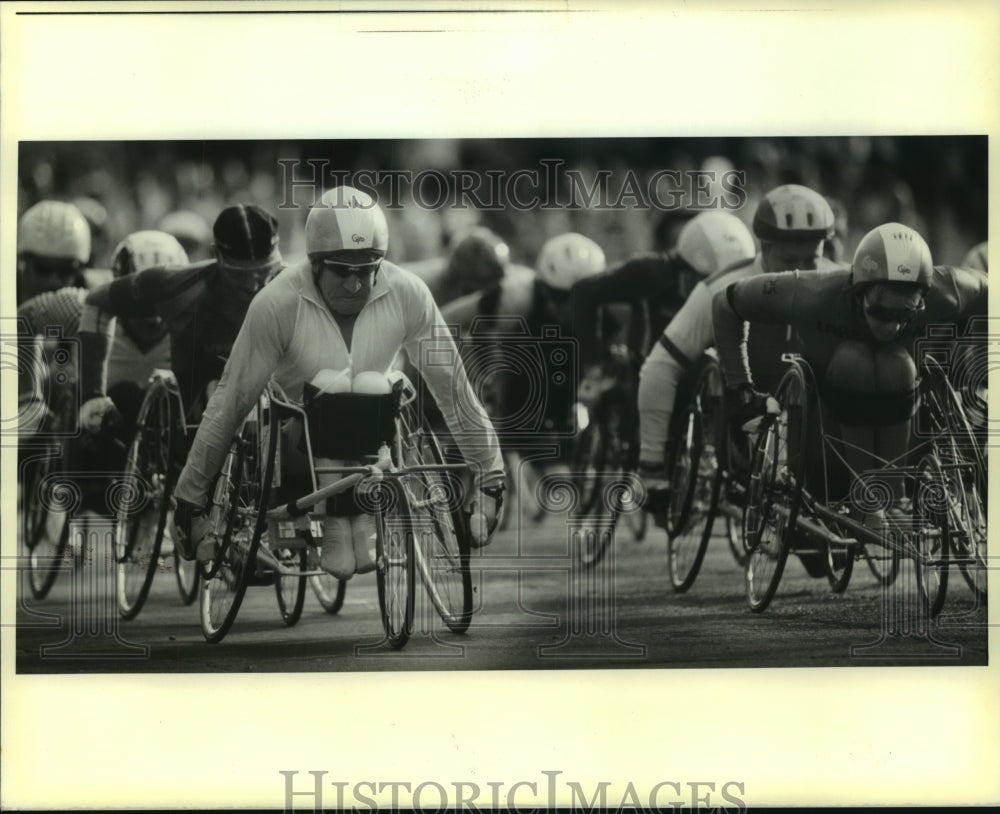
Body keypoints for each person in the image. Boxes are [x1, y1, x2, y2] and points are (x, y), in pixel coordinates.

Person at [170, 186, 505, 579]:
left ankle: (356, 524)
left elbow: (452, 386)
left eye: (366, 269)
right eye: (342, 271)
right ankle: (335, 528)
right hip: (294, 445)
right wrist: (190, 497)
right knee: (330, 386)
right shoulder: (276, 304)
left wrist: (491, 475)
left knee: (373, 385)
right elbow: (231, 401)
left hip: (374, 438)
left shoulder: (408, 292)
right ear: (315, 264)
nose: (354, 284)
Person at [712, 222, 988, 530]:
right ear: (858, 291)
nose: (893, 327)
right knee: (854, 358)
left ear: (924, 296)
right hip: (821, 437)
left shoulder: (949, 289)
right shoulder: (811, 291)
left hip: (906, 428)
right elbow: (725, 303)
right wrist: (741, 388)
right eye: (882, 312)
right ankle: (870, 501)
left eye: (905, 315)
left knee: (898, 361)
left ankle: (889, 500)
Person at [637, 184, 841, 515]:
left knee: (817, 564)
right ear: (763, 246)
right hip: (743, 413)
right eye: (789, 260)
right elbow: (660, 366)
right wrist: (651, 463)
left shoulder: (841, 281)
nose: (800, 271)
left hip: (813, 424)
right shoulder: (719, 286)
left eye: (811, 259)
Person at [77, 203, 284, 434]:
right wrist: (92, 395)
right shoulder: (177, 285)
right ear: (216, 255)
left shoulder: (300, 285)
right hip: (190, 419)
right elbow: (97, 302)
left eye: (265, 271)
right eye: (239, 274)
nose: (253, 285)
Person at [16, 200, 92, 305]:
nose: (53, 281)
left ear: (79, 271)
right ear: (23, 265)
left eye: (65, 271)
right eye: (43, 269)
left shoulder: (95, 295)